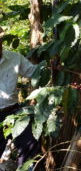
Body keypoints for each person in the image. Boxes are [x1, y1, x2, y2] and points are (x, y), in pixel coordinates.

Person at [0, 27, 40, 168]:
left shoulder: (14, 58)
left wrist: (50, 66)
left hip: (13, 112)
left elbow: (34, 72)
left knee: (30, 143)